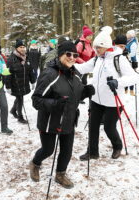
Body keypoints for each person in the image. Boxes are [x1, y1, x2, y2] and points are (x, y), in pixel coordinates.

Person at [29, 41, 95, 188]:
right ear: (60, 55)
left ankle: (60, 174)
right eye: (68, 54)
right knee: (48, 150)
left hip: (69, 119)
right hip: (50, 121)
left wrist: (85, 92)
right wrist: (55, 104)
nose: (72, 57)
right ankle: (35, 163)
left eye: (75, 55)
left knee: (67, 151)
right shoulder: (49, 74)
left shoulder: (75, 74)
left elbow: (74, 95)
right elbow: (36, 100)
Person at [74, 27, 138, 160]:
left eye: (99, 48)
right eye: (95, 47)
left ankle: (117, 146)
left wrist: (118, 82)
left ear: (107, 47)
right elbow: (82, 68)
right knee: (93, 126)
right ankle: (92, 152)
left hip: (113, 102)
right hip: (96, 99)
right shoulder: (97, 59)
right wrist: (65, 64)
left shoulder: (118, 59)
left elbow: (134, 77)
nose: (96, 50)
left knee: (109, 127)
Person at [6, 39, 36, 123]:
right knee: (20, 99)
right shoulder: (11, 59)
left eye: (23, 47)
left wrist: (33, 81)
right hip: (15, 83)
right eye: (20, 47)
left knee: (20, 97)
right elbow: (7, 74)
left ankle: (13, 110)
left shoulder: (26, 57)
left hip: (24, 82)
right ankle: (20, 117)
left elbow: (30, 70)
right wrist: (8, 86)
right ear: (16, 48)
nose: (22, 49)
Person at [76, 25, 96, 104]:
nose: (91, 37)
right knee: (80, 81)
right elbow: (76, 55)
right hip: (80, 66)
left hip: (86, 67)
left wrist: (95, 57)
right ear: (85, 36)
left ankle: (81, 96)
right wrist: (84, 63)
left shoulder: (89, 44)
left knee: (84, 81)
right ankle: (78, 97)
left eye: (91, 35)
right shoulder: (81, 44)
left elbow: (91, 53)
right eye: (89, 35)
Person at [125, 30, 138, 96]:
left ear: (131, 35)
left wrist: (127, 56)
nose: (126, 35)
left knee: (131, 76)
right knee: (125, 75)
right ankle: (125, 89)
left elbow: (133, 53)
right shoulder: (127, 42)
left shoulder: (133, 43)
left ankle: (131, 91)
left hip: (132, 61)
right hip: (126, 61)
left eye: (127, 34)